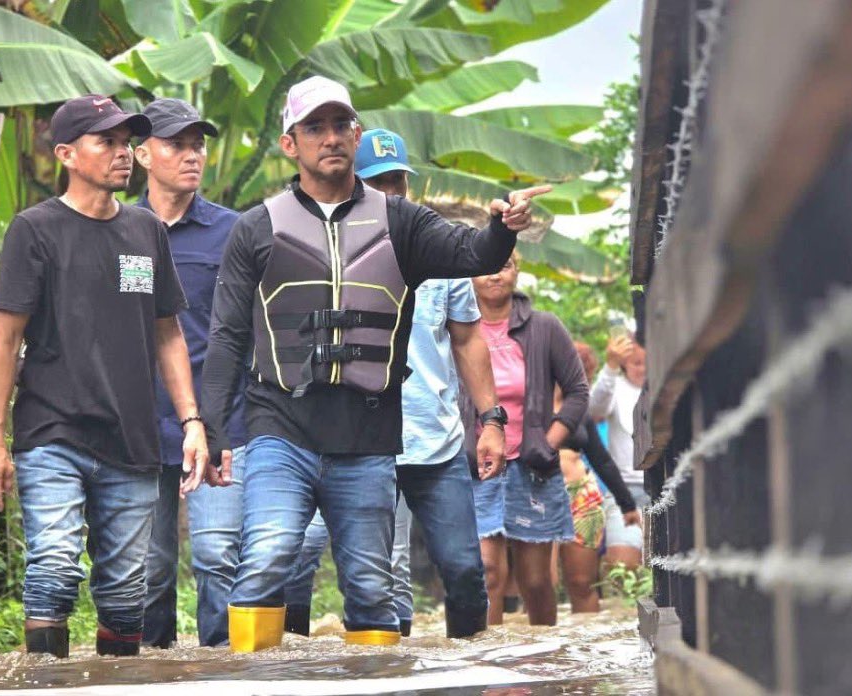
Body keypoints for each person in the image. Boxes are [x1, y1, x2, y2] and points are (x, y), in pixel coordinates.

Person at [200, 76, 548, 651]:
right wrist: (207, 428)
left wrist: (500, 229)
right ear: (291, 144)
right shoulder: (255, 228)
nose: (330, 138)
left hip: (366, 434)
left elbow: (474, 254)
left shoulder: (401, 223)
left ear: (355, 133)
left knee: (370, 583)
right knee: (267, 556)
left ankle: (378, 681)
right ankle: (255, 684)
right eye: (314, 127)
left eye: (341, 125)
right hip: (280, 426)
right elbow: (228, 336)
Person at [0, 95, 211, 658]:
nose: (122, 153)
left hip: (130, 440)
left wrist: (192, 422)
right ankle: (44, 687)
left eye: (127, 142)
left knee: (129, 594)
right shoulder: (35, 230)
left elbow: (168, 334)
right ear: (67, 154)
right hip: (52, 433)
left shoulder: (145, 231)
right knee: (54, 568)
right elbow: (4, 342)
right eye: (106, 141)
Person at [282, 128, 505, 639]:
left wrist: (491, 420)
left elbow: (469, 340)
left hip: (434, 442)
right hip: (354, 442)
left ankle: (473, 672)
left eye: (397, 182)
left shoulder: (441, 253)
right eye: (377, 184)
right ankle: (309, 671)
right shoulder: (324, 254)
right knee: (349, 572)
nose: (390, 195)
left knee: (467, 572)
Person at [134, 98, 248, 648]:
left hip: (221, 423)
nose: (191, 155)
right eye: (175, 144)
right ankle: (152, 675)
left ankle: (221, 674)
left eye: (197, 144)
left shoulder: (235, 232)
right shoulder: (120, 230)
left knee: (217, 557)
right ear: (142, 154)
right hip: (136, 427)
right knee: (149, 572)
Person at [464, 252, 588, 626]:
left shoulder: (544, 327)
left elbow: (578, 391)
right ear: (469, 278)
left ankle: (546, 668)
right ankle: (487, 667)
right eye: (486, 267)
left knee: (536, 581)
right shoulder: (459, 329)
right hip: (479, 467)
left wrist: (547, 443)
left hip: (531, 466)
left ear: (517, 272)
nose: (495, 275)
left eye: (504, 266)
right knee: (486, 571)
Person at [555, 343, 641, 614]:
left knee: (582, 582)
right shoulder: (527, 402)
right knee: (542, 581)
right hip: (537, 494)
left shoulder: (579, 407)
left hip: (581, 496)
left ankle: (584, 651)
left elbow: (602, 459)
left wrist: (626, 504)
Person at [587, 333, 648, 568]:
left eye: (647, 362)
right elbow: (595, 408)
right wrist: (610, 367)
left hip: (665, 488)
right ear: (625, 364)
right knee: (622, 566)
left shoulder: (666, 387)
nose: (643, 369)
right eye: (636, 363)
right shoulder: (616, 387)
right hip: (625, 490)